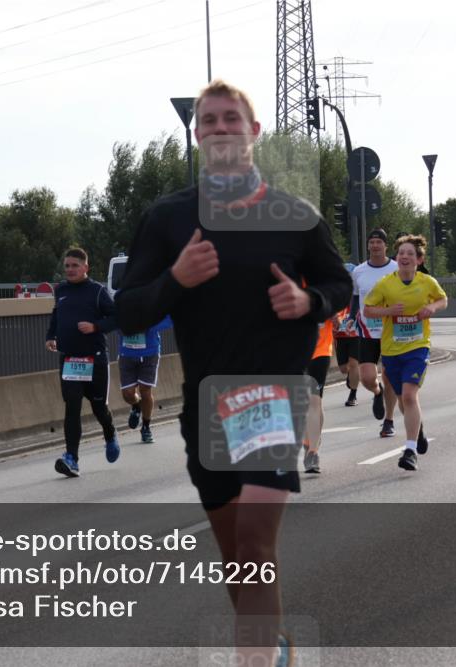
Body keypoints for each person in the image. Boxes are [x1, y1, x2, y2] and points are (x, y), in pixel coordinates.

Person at [114, 79, 352, 666]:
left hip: (273, 396)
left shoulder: (295, 215)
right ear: (198, 135)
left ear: (254, 132)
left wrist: (309, 301)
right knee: (237, 555)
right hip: (207, 402)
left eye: (231, 119)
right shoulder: (169, 218)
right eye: (209, 121)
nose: (220, 128)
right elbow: (129, 309)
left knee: (254, 541)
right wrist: (177, 279)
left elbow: (338, 283)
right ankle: (270, 644)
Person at [363, 234, 447, 471]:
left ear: (419, 260)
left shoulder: (427, 282)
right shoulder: (385, 284)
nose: (405, 257)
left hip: (418, 347)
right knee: (402, 400)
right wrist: (388, 311)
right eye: (401, 253)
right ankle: (417, 430)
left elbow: (443, 300)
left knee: (409, 396)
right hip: (391, 350)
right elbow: (368, 310)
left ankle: (410, 451)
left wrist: (431, 307)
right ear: (397, 258)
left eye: (410, 253)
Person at [46, 248, 121, 477]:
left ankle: (110, 433)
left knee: (99, 408)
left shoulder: (97, 291)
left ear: (85, 267)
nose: (70, 270)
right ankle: (72, 459)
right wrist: (51, 335)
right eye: (67, 266)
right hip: (70, 358)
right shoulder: (61, 290)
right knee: (72, 408)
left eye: (75, 265)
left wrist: (95, 327)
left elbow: (116, 317)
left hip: (94, 359)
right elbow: (57, 314)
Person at [351, 229, 399, 437]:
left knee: (390, 377)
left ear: (386, 246)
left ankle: (389, 420)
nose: (375, 245)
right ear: (368, 245)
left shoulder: (396, 268)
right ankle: (377, 392)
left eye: (379, 242)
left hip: (391, 331)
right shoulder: (359, 271)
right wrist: (351, 317)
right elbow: (355, 297)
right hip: (367, 331)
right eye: (372, 242)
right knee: (367, 378)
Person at [118, 315, 173, 443]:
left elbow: (169, 318)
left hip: (149, 353)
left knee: (145, 390)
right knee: (127, 394)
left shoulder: (151, 302)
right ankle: (136, 406)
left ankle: (146, 426)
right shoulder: (119, 302)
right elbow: (110, 317)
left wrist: (148, 325)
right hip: (127, 353)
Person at [303, 312, 340, 473]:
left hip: (321, 351)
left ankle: (313, 451)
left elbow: (340, 315)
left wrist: (336, 317)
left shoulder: (326, 295)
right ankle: (309, 441)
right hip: (295, 352)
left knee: (314, 400)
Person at [334, 262, 360, 407]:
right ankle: (352, 377)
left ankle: (353, 395)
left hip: (356, 334)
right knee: (344, 369)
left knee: (354, 364)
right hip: (340, 335)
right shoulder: (336, 294)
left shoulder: (359, 295)